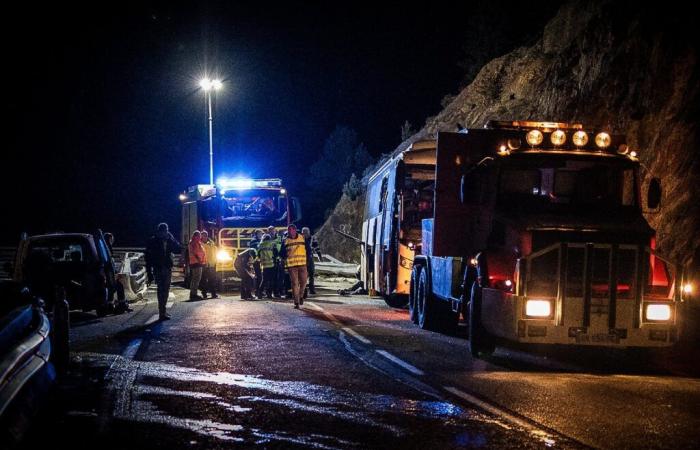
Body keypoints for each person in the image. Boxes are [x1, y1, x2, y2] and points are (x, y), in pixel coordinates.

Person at [145, 223, 181, 320]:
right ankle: (162, 312)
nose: (166, 232)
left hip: (167, 267)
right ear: (160, 231)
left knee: (166, 289)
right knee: (161, 290)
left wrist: (172, 238)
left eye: (166, 231)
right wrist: (149, 272)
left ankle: (163, 311)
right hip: (158, 268)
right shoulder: (153, 241)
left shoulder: (169, 240)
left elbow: (178, 248)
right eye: (164, 231)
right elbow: (148, 257)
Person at [280, 224, 307, 308]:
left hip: (302, 264)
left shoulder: (302, 237)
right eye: (289, 230)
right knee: (294, 283)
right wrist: (284, 257)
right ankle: (296, 302)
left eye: (292, 230)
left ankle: (301, 296)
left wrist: (309, 262)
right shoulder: (285, 240)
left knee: (303, 282)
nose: (290, 232)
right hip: (292, 266)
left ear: (295, 230)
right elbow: (281, 253)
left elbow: (308, 250)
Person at [104, 232, 130, 313]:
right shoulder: (107, 249)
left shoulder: (104, 248)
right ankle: (121, 305)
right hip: (108, 274)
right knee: (119, 286)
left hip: (108, 274)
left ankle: (110, 306)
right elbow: (109, 263)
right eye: (111, 239)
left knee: (111, 289)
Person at [301, 227, 323, 296]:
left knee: (311, 274)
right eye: (304, 232)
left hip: (310, 258)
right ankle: (303, 290)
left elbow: (317, 248)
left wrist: (319, 256)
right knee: (303, 276)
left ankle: (311, 289)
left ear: (309, 232)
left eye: (306, 232)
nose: (305, 234)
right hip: (302, 258)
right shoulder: (300, 239)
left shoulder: (312, 238)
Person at [188, 231, 206, 300]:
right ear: (195, 236)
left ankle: (193, 293)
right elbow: (195, 253)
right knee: (196, 279)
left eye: (200, 236)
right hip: (196, 263)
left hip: (197, 262)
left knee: (195, 279)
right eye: (198, 236)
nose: (200, 237)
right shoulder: (194, 243)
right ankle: (193, 294)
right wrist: (199, 260)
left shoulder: (196, 243)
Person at [200, 231, 219, 299]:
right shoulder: (200, 244)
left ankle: (213, 293)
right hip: (205, 264)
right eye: (203, 236)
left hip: (212, 264)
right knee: (204, 280)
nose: (204, 237)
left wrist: (215, 261)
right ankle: (204, 293)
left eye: (205, 235)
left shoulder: (211, 243)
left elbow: (215, 251)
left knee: (212, 279)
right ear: (201, 236)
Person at [257, 234, 277, 298]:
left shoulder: (260, 245)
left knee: (264, 280)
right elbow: (276, 253)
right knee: (271, 280)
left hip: (264, 265)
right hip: (271, 264)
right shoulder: (272, 244)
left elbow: (258, 255)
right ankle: (269, 294)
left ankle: (259, 293)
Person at [249, 229, 264, 298]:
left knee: (260, 277)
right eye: (260, 234)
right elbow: (255, 251)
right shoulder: (254, 241)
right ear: (257, 234)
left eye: (261, 234)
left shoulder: (258, 241)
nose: (261, 235)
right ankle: (257, 292)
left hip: (259, 261)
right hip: (256, 261)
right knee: (259, 277)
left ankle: (259, 291)